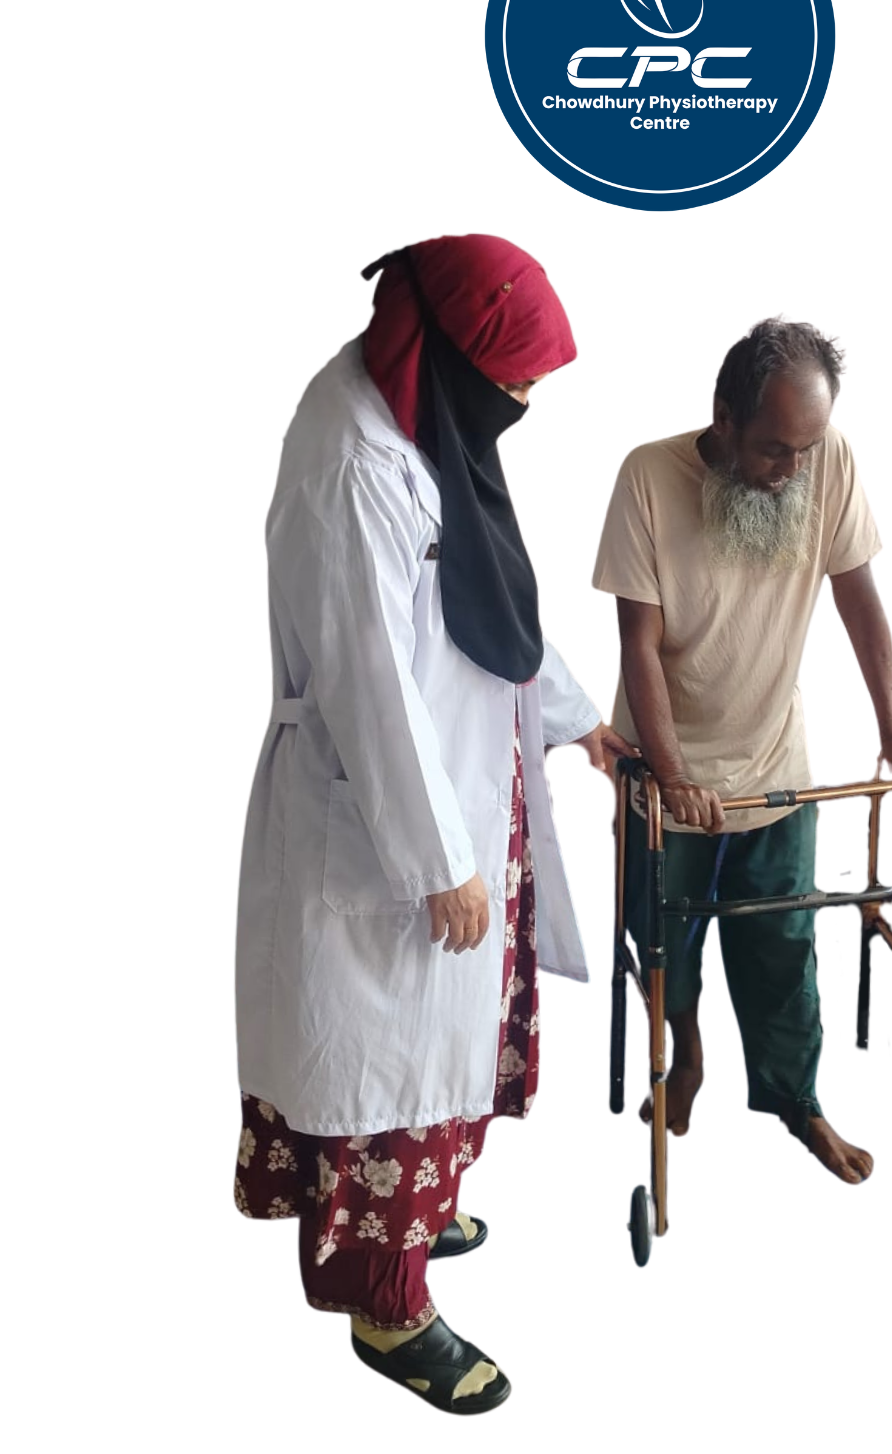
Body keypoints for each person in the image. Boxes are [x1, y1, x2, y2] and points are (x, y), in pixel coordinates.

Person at [234, 235, 629, 1413]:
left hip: (457, 792)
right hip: (386, 823)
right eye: (515, 379)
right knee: (385, 1064)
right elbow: (368, 681)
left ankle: (422, 1207)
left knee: (436, 1048)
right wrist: (439, 858)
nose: (523, 402)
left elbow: (483, 598)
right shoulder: (353, 458)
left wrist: (577, 720)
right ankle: (387, 1307)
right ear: (455, 355)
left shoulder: (426, 422)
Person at [592, 317, 892, 1184]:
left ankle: (797, 1102)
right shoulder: (648, 477)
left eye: (806, 449)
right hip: (666, 768)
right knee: (665, 944)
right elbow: (639, 644)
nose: (793, 468)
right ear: (724, 417)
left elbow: (858, 596)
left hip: (772, 758)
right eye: (773, 449)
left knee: (784, 946)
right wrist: (673, 775)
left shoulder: (827, 460)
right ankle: (687, 1053)